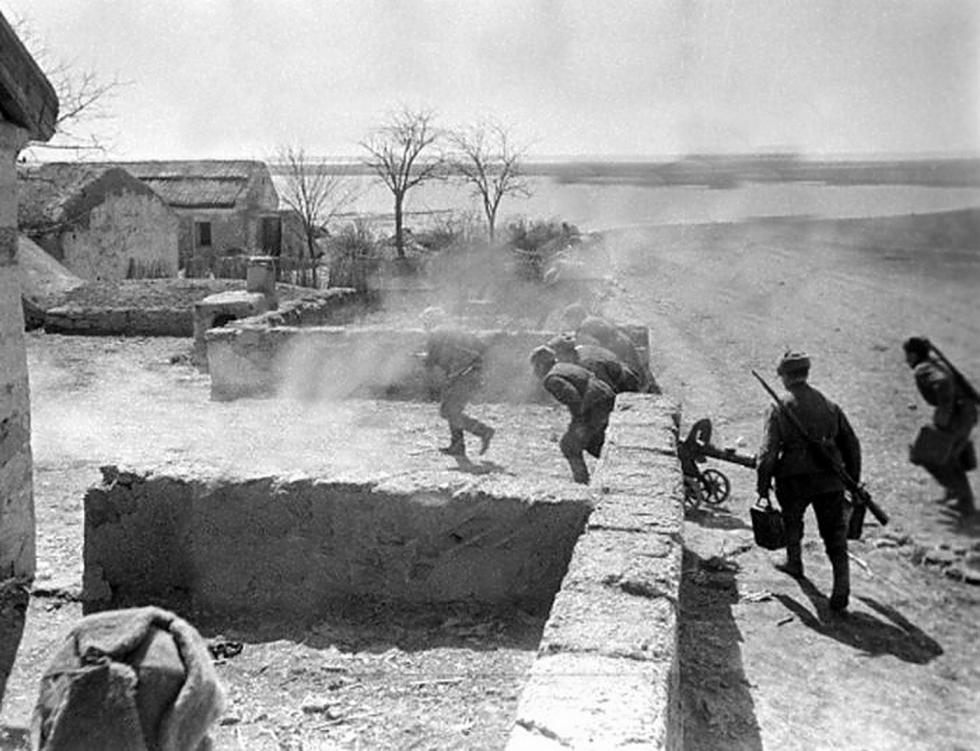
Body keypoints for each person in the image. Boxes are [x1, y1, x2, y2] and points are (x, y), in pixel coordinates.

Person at [756, 351, 862, 614]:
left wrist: (763, 484)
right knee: (835, 534)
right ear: (805, 374)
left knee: (792, 522)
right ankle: (841, 589)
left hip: (793, 480)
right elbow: (852, 445)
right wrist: (852, 481)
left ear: (785, 376)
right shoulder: (830, 405)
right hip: (830, 481)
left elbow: (768, 453)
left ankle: (794, 563)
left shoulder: (779, 407)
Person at [903, 336, 977, 516]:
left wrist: (943, 415)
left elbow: (942, 382)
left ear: (913, 355)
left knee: (927, 454)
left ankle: (962, 498)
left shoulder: (924, 368)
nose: (906, 359)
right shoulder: (935, 363)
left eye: (908, 355)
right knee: (950, 455)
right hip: (966, 412)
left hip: (957, 415)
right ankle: (958, 495)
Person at [531, 345, 616, 484]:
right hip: (605, 400)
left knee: (569, 445)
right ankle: (614, 468)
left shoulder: (552, 379)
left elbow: (573, 398)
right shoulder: (563, 367)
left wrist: (578, 424)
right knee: (593, 442)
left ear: (540, 365)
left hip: (596, 406)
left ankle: (582, 481)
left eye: (535, 366)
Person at [422, 307, 495, 458]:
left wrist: (426, 360)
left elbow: (431, 361)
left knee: (448, 411)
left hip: (462, 374)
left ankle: (483, 431)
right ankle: (458, 445)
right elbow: (481, 348)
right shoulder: (457, 330)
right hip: (470, 372)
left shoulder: (436, 333)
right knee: (452, 409)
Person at [560, 303, 661, 394]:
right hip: (625, 353)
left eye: (569, 320)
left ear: (575, 317)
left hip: (623, 358)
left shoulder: (587, 326)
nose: (569, 325)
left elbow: (589, 349)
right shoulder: (592, 321)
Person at [546, 333, 641, 393]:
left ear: (565, 354)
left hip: (628, 384)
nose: (556, 361)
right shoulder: (580, 350)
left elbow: (607, 389)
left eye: (557, 357)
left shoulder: (588, 364)